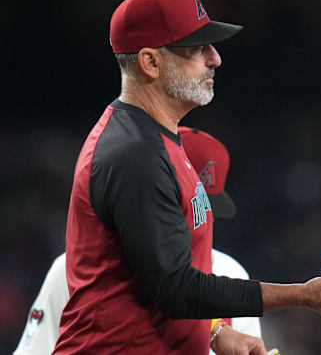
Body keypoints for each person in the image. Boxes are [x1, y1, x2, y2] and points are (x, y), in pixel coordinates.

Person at [54, 0, 321, 355]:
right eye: (196, 47)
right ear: (150, 62)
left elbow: (150, 284)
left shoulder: (158, 138)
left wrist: (214, 333)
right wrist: (303, 294)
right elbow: (176, 289)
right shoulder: (133, 154)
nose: (215, 58)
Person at [15, 127, 261, 355]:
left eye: (208, 212)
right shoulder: (73, 270)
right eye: (189, 210)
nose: (202, 222)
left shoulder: (232, 274)